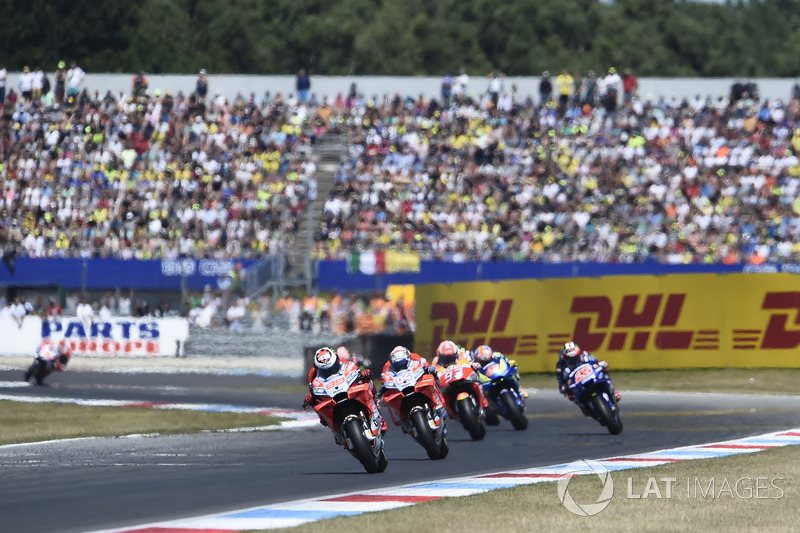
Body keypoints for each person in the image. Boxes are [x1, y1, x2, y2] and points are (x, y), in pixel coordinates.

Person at [303, 347, 386, 437]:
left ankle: (377, 410)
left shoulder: (345, 363)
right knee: (317, 406)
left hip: (346, 388)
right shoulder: (312, 375)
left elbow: (356, 371)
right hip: (330, 393)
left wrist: (364, 374)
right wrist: (310, 398)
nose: (329, 371)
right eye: (324, 370)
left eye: (332, 367)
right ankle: (334, 428)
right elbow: (313, 391)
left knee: (368, 383)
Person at [556, 341, 621, 408]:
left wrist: (601, 364)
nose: (573, 360)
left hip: (590, 375)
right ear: (565, 358)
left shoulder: (586, 355)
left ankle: (613, 391)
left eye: (576, 357)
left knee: (604, 371)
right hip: (577, 383)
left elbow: (596, 362)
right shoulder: (561, 365)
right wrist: (563, 386)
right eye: (569, 359)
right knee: (571, 396)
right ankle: (584, 406)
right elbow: (560, 378)